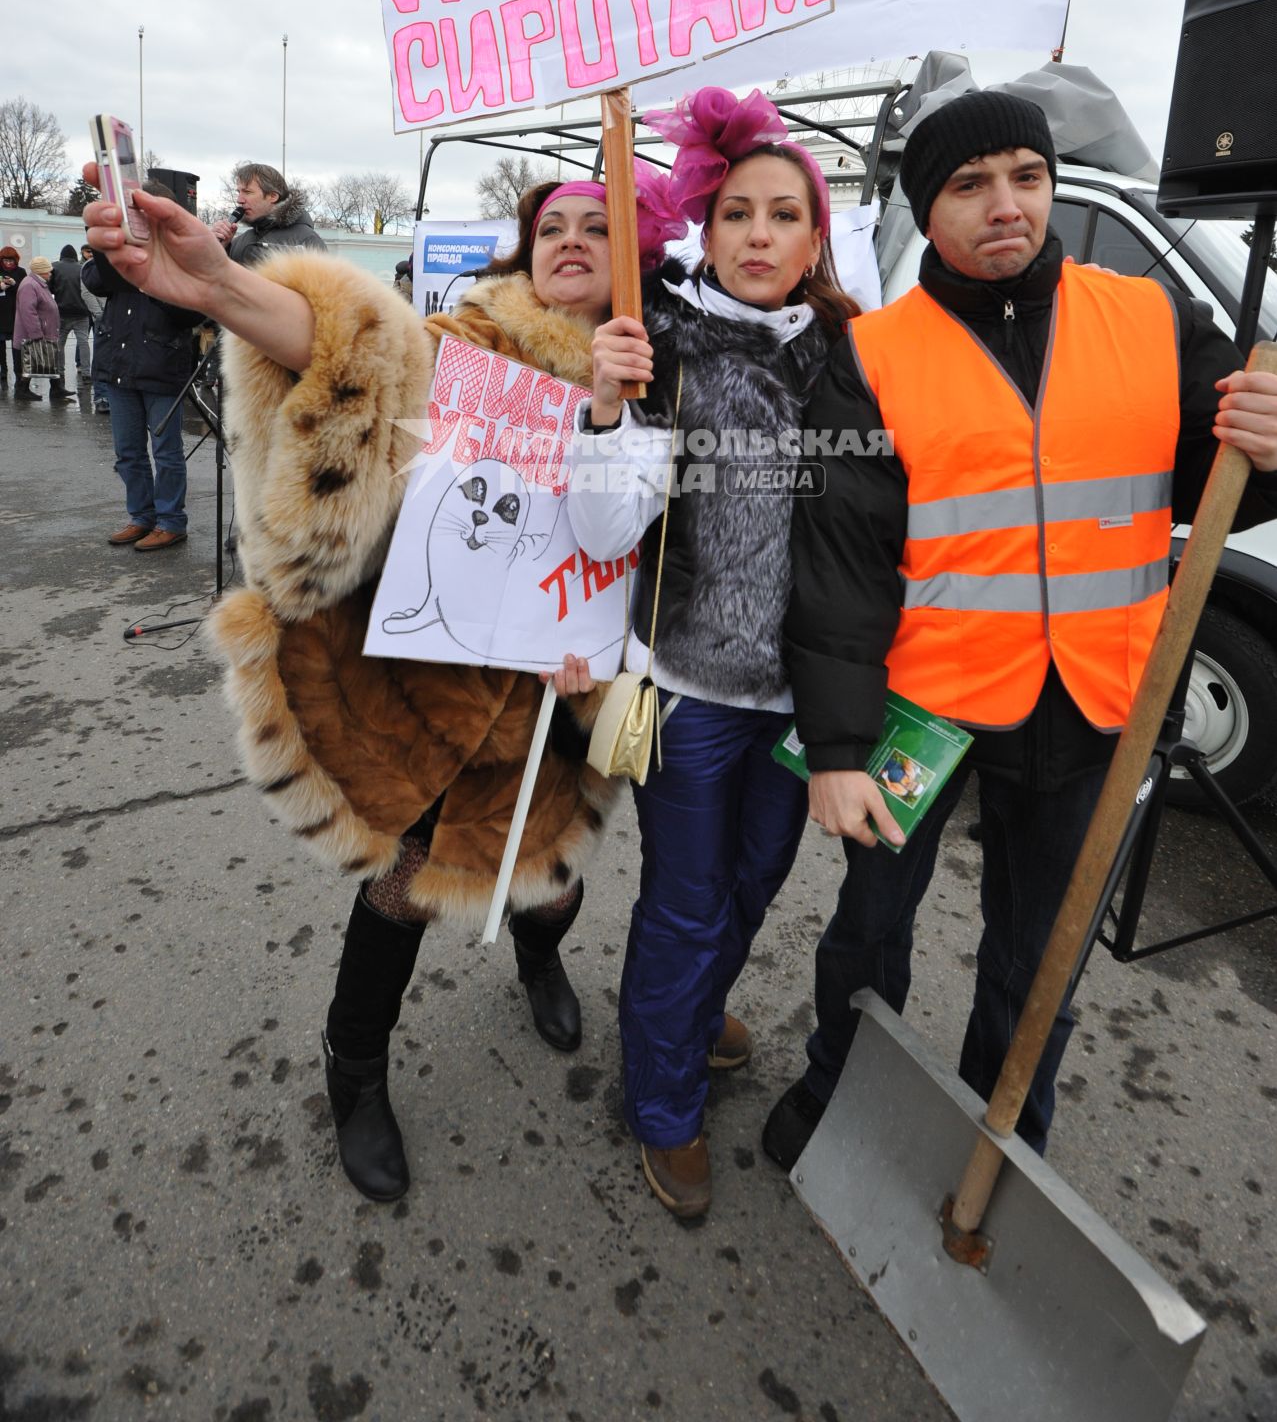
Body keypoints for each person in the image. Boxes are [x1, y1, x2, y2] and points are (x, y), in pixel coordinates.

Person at [82, 163, 667, 1205]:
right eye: (551, 228)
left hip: (565, 694)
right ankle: (354, 1072)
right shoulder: (478, 345)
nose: (571, 240)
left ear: (636, 253)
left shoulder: (666, 372)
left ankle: (537, 959)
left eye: (597, 226)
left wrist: (616, 646)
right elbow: (361, 358)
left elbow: (678, 550)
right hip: (436, 688)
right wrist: (223, 287)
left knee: (555, 873)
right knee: (402, 883)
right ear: (524, 253)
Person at [765, 89, 1277, 1171]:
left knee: (1038, 951)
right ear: (926, 204)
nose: (1005, 204)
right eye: (969, 185)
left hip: (1098, 697)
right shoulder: (871, 358)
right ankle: (841, 1088)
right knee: (867, 929)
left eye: (1026, 176)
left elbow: (1217, 479)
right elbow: (840, 574)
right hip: (925, 704)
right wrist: (838, 751)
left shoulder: (1147, 318)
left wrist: (1269, 445)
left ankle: (1002, 1133)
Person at [567, 87, 859, 1220]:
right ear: (705, 223)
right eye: (734, 212)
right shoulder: (663, 342)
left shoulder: (847, 357)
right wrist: (607, 408)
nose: (754, 236)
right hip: (686, 693)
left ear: (812, 235)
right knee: (686, 904)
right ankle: (662, 1100)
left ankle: (678, 1015)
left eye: (781, 216)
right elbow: (600, 534)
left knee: (752, 886)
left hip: (801, 703)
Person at [83, 185, 203, 550]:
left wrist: (154, 280)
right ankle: (141, 516)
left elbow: (194, 313)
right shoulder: (119, 247)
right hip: (120, 366)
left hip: (162, 366)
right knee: (128, 452)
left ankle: (170, 521)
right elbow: (93, 281)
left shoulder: (179, 252)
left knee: (166, 453)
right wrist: (108, 251)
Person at [211, 162, 325, 264]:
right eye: (238, 192)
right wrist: (220, 249)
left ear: (273, 196)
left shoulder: (306, 240)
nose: (239, 200)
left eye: (247, 192)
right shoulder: (239, 241)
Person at [12, 255, 67, 400]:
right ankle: (21, 391)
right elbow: (28, 311)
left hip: (44, 331)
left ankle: (56, 389)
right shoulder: (30, 285)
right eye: (48, 271)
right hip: (32, 334)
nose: (50, 273)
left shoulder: (38, 283)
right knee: (29, 362)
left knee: (48, 359)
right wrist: (36, 333)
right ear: (40, 271)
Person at [48, 244, 92, 392]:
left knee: (59, 343)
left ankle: (60, 372)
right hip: (82, 312)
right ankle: (86, 373)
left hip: (61, 312)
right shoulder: (83, 268)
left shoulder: (54, 267)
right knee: (83, 342)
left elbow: (49, 288)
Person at [78, 244, 110, 412]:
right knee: (102, 357)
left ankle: (111, 395)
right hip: (103, 317)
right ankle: (102, 397)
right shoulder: (90, 267)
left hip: (115, 316)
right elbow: (87, 292)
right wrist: (99, 314)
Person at [0, 245, 27, 391]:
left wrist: (14, 284)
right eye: (5, 260)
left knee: (17, 345)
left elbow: (25, 291)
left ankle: (19, 371)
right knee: (0, 344)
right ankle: (3, 370)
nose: (8, 263)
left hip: (16, 313)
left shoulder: (20, 272)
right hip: (1, 313)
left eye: (11, 260)